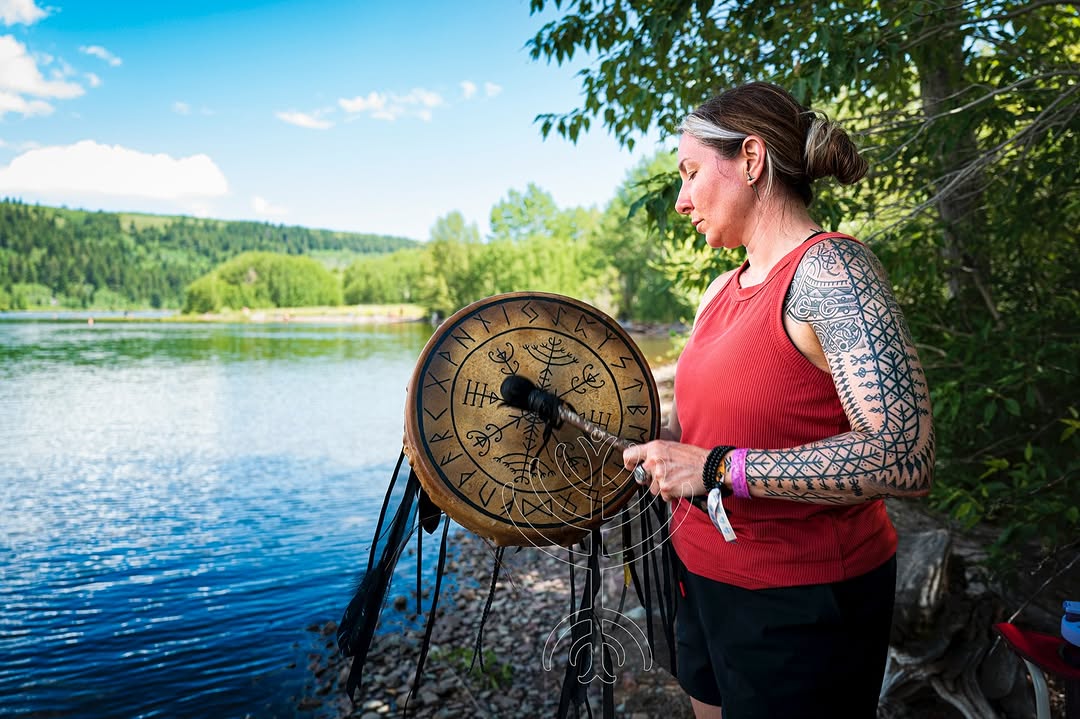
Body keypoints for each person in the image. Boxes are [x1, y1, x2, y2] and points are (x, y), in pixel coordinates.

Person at [621, 82, 935, 719]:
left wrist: (715, 468)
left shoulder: (831, 272)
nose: (681, 201)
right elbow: (694, 433)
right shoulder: (717, 292)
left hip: (803, 600)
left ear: (752, 159)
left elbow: (904, 456)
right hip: (702, 575)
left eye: (690, 173)